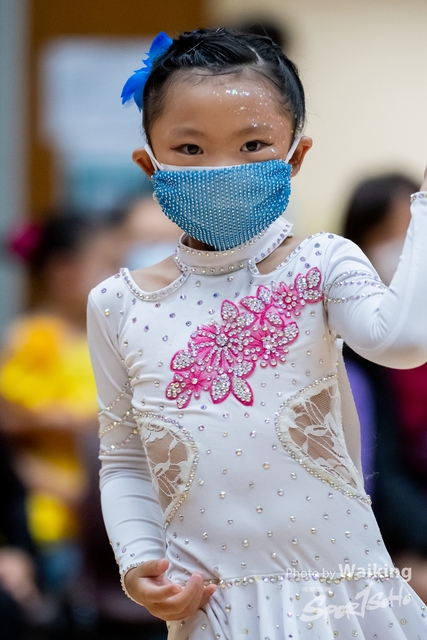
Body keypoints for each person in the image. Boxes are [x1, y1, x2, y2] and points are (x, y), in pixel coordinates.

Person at [87, 28, 427, 639]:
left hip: (341, 595)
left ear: (294, 157)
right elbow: (125, 459)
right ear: (149, 164)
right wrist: (139, 563)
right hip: (214, 605)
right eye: (190, 148)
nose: (222, 169)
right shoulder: (117, 304)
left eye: (252, 145)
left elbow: (403, 342)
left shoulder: (322, 263)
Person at [342, 173, 427, 603]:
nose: (402, 248)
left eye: (411, 234)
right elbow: (378, 470)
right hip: (396, 540)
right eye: (389, 235)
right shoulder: (351, 351)